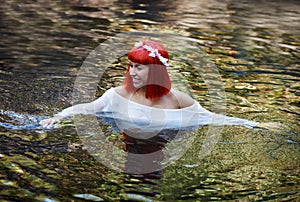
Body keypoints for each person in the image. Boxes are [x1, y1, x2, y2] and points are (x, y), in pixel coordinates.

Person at [40, 41, 280, 131]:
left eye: (139, 67)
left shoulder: (178, 99)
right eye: (131, 65)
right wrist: (58, 117)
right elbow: (86, 108)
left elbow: (211, 117)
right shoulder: (117, 95)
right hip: (127, 140)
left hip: (164, 145)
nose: (132, 72)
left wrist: (256, 125)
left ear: (155, 71)